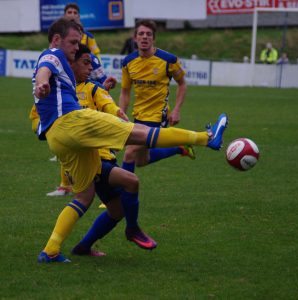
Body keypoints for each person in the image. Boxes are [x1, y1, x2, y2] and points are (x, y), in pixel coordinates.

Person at [34, 17, 228, 263]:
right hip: (73, 122)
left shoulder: (70, 74)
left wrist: (51, 86)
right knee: (140, 133)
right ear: (56, 39)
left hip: (57, 137)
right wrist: (42, 83)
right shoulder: (54, 54)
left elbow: (50, 87)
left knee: (84, 196)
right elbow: (45, 68)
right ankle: (207, 137)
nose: (76, 47)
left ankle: (50, 250)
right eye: (73, 42)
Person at [119, 19, 194, 175]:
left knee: (129, 152)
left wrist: (177, 110)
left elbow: (182, 84)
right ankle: (179, 147)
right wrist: (120, 113)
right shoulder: (128, 62)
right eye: (141, 34)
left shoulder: (169, 60)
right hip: (138, 117)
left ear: (153, 38)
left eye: (148, 34)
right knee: (141, 161)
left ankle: (121, 197)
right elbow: (125, 92)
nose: (144, 37)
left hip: (159, 117)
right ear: (135, 38)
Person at [64, 2, 117, 91]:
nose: (72, 15)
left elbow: (95, 54)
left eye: (75, 12)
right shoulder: (57, 36)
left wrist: (96, 66)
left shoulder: (88, 36)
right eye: (69, 12)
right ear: (64, 16)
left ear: (78, 16)